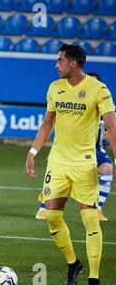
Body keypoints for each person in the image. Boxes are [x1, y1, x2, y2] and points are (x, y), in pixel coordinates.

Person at [25, 44, 116, 285]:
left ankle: (94, 278)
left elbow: (112, 128)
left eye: (60, 60)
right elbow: (46, 124)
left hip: (85, 163)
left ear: (73, 63)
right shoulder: (55, 88)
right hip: (57, 161)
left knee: (90, 219)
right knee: (52, 217)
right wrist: (33, 152)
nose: (56, 65)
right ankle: (74, 264)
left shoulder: (99, 90)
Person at [36, 72, 112, 222]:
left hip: (95, 150)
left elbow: (112, 128)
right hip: (71, 149)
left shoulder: (104, 103)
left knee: (107, 169)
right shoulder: (72, 101)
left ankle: (98, 210)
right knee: (60, 174)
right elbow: (60, 129)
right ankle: (43, 208)